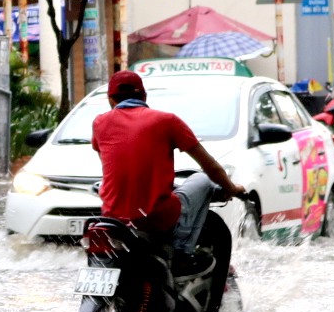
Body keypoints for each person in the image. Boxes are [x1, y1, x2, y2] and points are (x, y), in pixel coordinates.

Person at [91, 71, 246, 274]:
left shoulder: (99, 123)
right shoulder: (167, 121)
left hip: (113, 221)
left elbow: (113, 167)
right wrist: (232, 189)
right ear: (144, 96)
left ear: (110, 99)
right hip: (155, 220)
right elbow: (211, 167)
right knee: (202, 180)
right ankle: (182, 254)